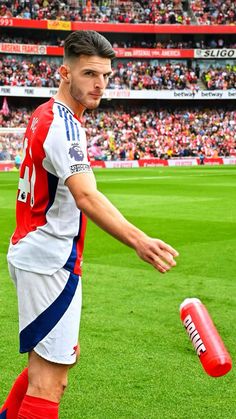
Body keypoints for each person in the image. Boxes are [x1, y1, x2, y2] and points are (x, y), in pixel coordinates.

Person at [1, 30, 179, 419]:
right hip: (49, 260)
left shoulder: (45, 113)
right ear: (65, 73)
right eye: (88, 74)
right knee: (50, 383)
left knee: (48, 366)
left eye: (105, 76)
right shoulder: (63, 126)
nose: (100, 84)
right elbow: (86, 196)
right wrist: (139, 241)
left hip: (35, 252)